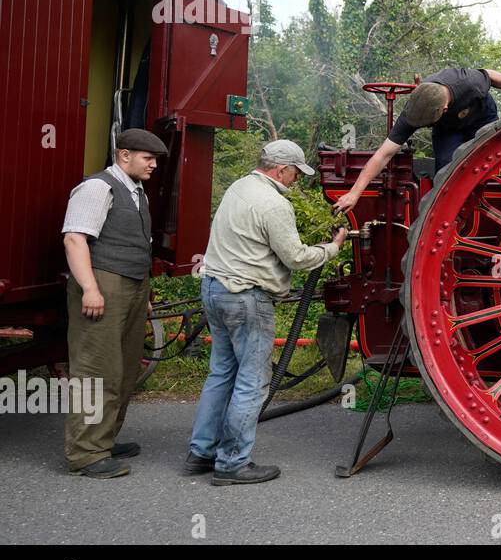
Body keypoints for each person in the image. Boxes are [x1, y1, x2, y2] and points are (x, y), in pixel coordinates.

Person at [185, 140, 346, 485]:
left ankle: (201, 452)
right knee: (252, 381)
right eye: (295, 174)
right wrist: (333, 247)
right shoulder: (273, 204)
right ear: (281, 168)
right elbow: (297, 258)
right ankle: (232, 464)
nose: (295, 181)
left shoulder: (238, 187)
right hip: (246, 296)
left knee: (221, 374)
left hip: (213, 288)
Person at [61, 128, 169, 479]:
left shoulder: (138, 192)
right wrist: (90, 288)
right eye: (147, 158)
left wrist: (144, 298)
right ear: (124, 156)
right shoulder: (97, 187)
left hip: (132, 286)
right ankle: (86, 453)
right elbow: (75, 239)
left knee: (122, 368)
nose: (153, 165)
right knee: (96, 369)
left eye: (155, 159)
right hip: (103, 281)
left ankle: (103, 439)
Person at [332, 68, 501, 215]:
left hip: (481, 117)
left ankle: (497, 209)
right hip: (448, 129)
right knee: (446, 172)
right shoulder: (415, 109)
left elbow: (490, 74)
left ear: (443, 110)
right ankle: (454, 217)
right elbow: (384, 154)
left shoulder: (469, 83)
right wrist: (354, 193)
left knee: (495, 163)